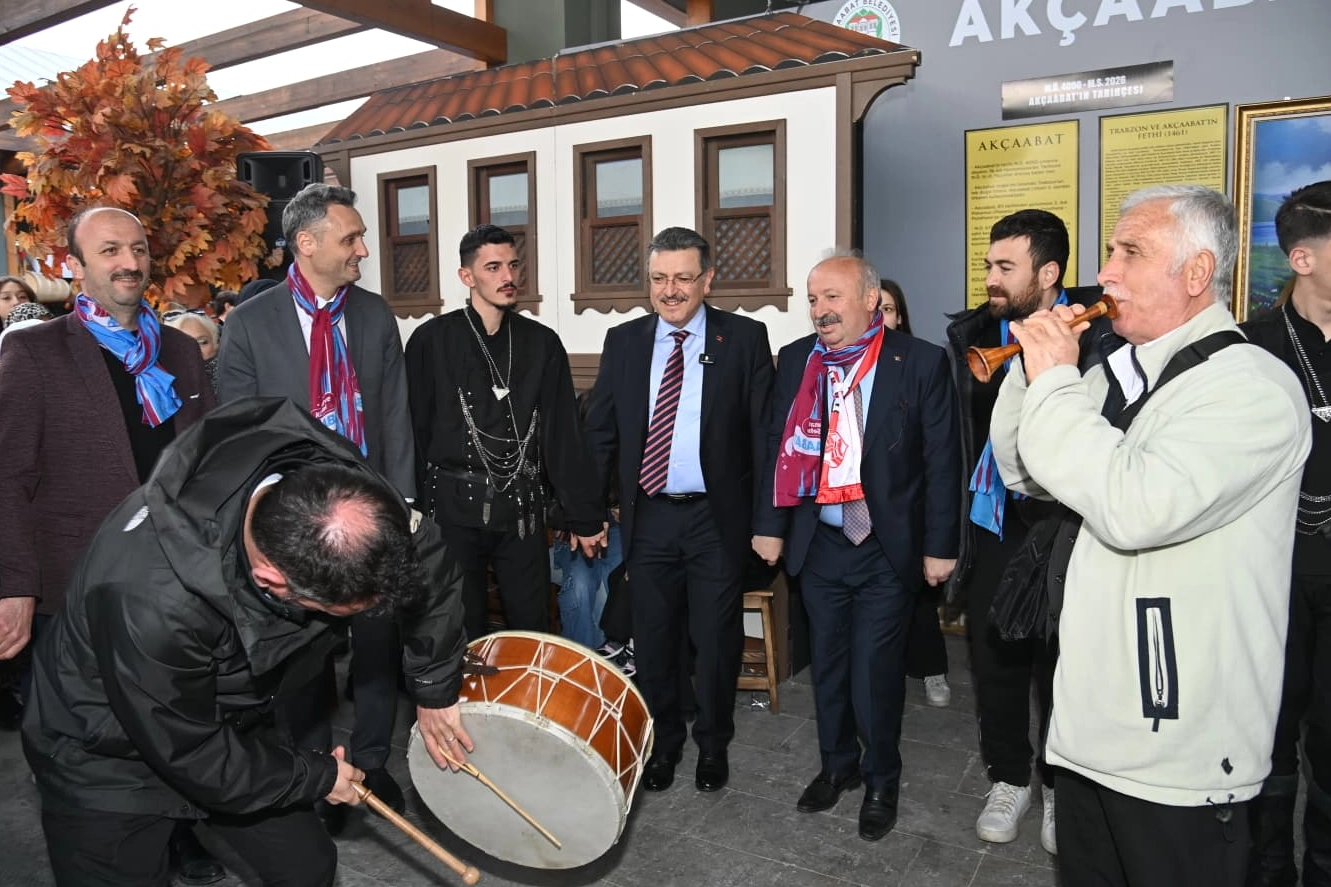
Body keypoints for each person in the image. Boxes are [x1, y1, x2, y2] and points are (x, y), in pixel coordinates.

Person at [990, 184, 1310, 886]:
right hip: (1085, 732)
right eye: (1109, 251)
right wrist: (1030, 373)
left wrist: (1054, 384)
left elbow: (1135, 505)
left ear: (1195, 274)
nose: (1104, 272)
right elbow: (1024, 471)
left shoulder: (1250, 386)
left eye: (1128, 251)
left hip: (1178, 753)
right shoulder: (1116, 373)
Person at [21, 396, 472, 887]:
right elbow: (193, 752)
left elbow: (425, 558)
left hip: (232, 717)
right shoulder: (148, 597)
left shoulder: (339, 490)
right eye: (341, 616)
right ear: (273, 580)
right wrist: (316, 777)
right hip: (107, 750)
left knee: (305, 867)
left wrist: (434, 687)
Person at [0, 206, 218, 882]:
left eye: (139, 246)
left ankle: (177, 832)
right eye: (110, 249)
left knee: (174, 722)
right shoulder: (34, 352)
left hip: (171, 585)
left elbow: (207, 465)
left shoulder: (180, 353)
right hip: (75, 590)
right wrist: (14, 585)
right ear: (76, 266)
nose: (129, 261)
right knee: (83, 749)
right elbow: (7, 477)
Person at [217, 183, 416, 820]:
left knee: (377, 644)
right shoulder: (250, 323)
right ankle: (314, 774)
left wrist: (403, 499)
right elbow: (237, 430)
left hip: (370, 510)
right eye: (351, 238)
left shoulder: (375, 314)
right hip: (294, 524)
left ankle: (375, 763)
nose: (363, 249)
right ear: (306, 244)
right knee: (302, 658)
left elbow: (393, 415)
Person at [752, 252, 959, 841]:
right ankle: (837, 765)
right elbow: (777, 446)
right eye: (814, 299)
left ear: (871, 300)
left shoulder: (918, 361)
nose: (820, 310)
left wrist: (941, 546)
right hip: (819, 542)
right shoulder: (797, 361)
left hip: (885, 547)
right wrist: (769, 524)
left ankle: (881, 778)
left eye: (833, 297)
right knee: (830, 666)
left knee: (875, 667)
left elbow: (942, 461)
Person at [944, 208, 1114, 854]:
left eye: (1004, 266)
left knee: (1064, 661)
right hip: (995, 521)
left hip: (1066, 524)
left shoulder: (1103, 332)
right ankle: (1009, 776)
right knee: (995, 659)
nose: (989, 277)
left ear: (1047, 273)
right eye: (988, 264)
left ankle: (1056, 783)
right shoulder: (972, 334)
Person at [586, 226, 773, 794]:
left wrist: (768, 524)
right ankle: (664, 744)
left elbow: (765, 441)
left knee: (716, 640)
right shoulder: (623, 341)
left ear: (707, 280)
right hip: (649, 518)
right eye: (660, 278)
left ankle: (713, 745)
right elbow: (600, 435)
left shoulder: (743, 339)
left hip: (716, 520)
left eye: (683, 278)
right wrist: (587, 511)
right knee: (654, 637)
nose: (671, 290)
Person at [405, 224, 605, 641]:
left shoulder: (542, 343)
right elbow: (414, 429)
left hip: (522, 509)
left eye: (512, 265)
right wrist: (411, 508)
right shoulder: (431, 340)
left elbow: (562, 437)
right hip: (451, 508)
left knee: (531, 625)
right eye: (493, 267)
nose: (507, 276)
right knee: (459, 625)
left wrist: (585, 515)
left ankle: (527, 704)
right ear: (467, 276)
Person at [1242, 179, 1331, 887]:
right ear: (1301, 258)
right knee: (1266, 738)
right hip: (1269, 575)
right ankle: (1266, 870)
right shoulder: (1249, 347)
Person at [879, 278, 951, 708]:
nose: (881, 318)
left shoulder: (923, 363)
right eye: (876, 309)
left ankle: (932, 668)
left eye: (888, 310)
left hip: (914, 504)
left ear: (900, 316)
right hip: (871, 510)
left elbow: (938, 449)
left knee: (920, 599)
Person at [163, 308, 220, 393]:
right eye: (184, 345)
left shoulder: (236, 379)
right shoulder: (162, 388)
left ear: (215, 343)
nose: (195, 350)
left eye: (202, 342)